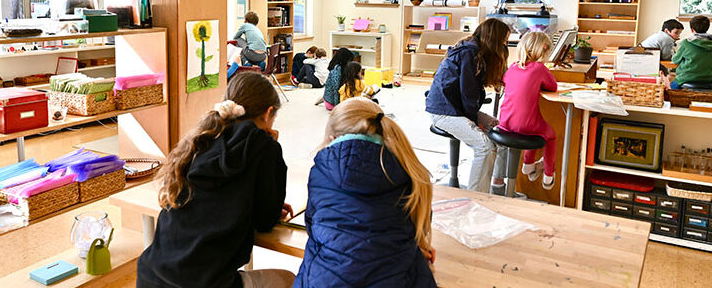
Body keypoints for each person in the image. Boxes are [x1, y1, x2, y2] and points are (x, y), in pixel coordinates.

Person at [137, 72, 294, 288]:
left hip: (150, 276)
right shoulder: (264, 147)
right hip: (206, 283)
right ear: (268, 114)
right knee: (288, 279)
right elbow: (265, 221)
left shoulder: (202, 138)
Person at [294, 98, 436, 288]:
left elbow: (313, 226)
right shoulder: (404, 168)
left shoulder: (320, 171)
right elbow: (416, 222)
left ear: (331, 138)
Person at [425, 18, 510, 193]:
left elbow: (468, 95)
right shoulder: (469, 53)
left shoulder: (474, 50)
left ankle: (497, 186)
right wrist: (474, 122)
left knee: (502, 132)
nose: (505, 45)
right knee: (485, 147)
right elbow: (468, 94)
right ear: (494, 39)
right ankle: (476, 198)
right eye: (504, 40)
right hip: (445, 111)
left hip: (456, 108)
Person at [498, 31, 558, 190]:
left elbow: (506, 82)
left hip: (504, 123)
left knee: (537, 124)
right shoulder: (539, 68)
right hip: (525, 126)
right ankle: (548, 177)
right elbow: (553, 87)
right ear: (543, 51)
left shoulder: (513, 66)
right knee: (549, 135)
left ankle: (529, 165)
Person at [671, 15, 712, 90]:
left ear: (692, 29)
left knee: (669, 90)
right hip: (707, 81)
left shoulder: (686, 43)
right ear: (707, 27)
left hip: (684, 79)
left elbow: (675, 60)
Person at [227, 12, 268, 79]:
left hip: (252, 54)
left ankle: (246, 64)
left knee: (238, 40)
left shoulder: (245, 25)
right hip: (263, 56)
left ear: (245, 20)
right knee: (249, 47)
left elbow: (235, 37)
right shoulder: (257, 29)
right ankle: (261, 64)